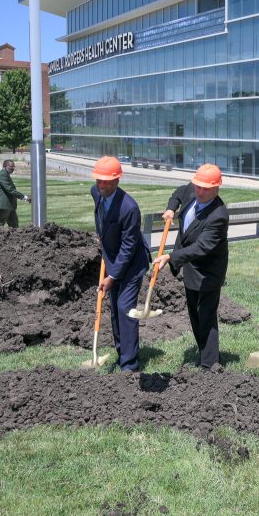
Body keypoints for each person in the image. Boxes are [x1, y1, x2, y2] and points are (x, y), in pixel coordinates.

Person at [153, 164, 229, 369]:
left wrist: (171, 257)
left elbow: (201, 247)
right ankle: (206, 354)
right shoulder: (193, 190)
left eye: (205, 188)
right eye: (198, 186)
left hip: (208, 271)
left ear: (216, 188)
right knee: (194, 315)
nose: (200, 191)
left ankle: (210, 364)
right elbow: (179, 192)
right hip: (191, 268)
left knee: (206, 315)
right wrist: (171, 207)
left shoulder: (218, 215)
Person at [91, 156, 150, 372]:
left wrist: (112, 277)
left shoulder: (129, 208)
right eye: (98, 179)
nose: (100, 184)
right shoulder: (97, 192)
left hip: (132, 264)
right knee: (115, 309)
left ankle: (130, 364)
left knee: (125, 308)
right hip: (112, 259)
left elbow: (129, 247)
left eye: (106, 181)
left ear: (117, 180)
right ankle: (121, 352)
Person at [0, 160, 31, 228]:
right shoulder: (2, 175)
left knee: (14, 225)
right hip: (3, 206)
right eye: (11, 166)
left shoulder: (5, 174)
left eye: (14, 166)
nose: (13, 168)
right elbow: (10, 190)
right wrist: (25, 197)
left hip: (9, 206)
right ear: (5, 166)